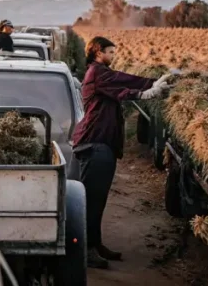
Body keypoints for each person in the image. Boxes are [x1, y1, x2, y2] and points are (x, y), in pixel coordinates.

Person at [68, 36, 172, 269]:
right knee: (92, 201)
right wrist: (150, 89)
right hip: (95, 144)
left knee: (99, 199)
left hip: (102, 145)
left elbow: (121, 82)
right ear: (97, 52)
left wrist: (151, 85)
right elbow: (122, 82)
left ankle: (96, 244)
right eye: (110, 52)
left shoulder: (100, 72)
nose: (113, 56)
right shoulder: (97, 72)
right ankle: (86, 251)